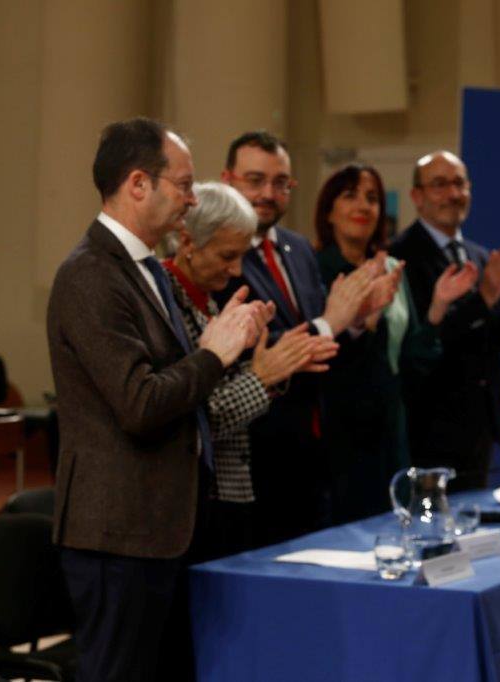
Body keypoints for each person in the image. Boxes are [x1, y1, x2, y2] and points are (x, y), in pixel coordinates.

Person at [47, 118, 266, 681]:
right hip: (118, 531)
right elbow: (139, 403)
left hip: (161, 526)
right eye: (185, 185)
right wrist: (215, 355)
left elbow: (173, 385)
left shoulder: (145, 267)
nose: (193, 201)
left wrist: (230, 348)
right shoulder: (90, 274)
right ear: (138, 183)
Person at [218, 130, 385, 545]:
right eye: (255, 181)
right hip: (258, 458)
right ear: (228, 180)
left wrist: (354, 321)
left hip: (316, 458)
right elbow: (265, 347)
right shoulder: (221, 254)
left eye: (280, 183)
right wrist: (331, 321)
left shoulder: (297, 248)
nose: (268, 194)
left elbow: (325, 351)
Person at [163, 181, 339, 559]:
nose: (237, 269)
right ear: (188, 241)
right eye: (228, 255)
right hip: (193, 505)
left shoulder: (209, 301)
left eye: (242, 255)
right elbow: (195, 420)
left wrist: (262, 368)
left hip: (231, 498)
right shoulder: (166, 307)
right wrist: (262, 377)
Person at [313, 164, 477, 522]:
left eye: (372, 198)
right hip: (340, 427)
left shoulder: (390, 267)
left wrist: (437, 307)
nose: (364, 206)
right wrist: (362, 320)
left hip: (392, 425)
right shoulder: (314, 268)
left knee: (394, 522)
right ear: (328, 210)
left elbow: (410, 358)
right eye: (350, 196)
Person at [390, 151, 500, 491]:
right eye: (439, 184)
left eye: (459, 183)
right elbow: (421, 344)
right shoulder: (400, 258)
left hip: (480, 429)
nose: (453, 193)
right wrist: (484, 300)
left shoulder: (478, 256)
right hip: (428, 430)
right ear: (416, 197)